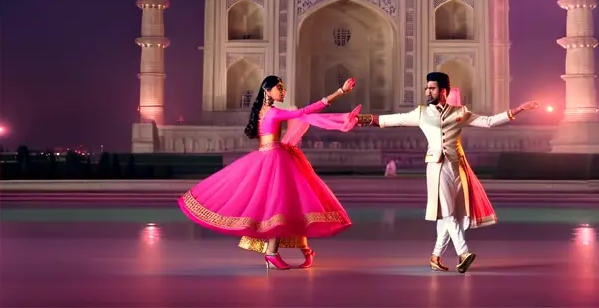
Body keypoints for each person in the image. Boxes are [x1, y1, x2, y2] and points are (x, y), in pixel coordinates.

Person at [356, 72, 539, 274]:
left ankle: (435, 257)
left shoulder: (460, 112)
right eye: (427, 88)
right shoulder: (421, 113)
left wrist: (519, 109)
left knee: (454, 214)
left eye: (432, 88)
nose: (427, 91)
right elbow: (391, 120)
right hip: (437, 165)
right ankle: (464, 253)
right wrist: (360, 119)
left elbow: (488, 121)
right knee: (448, 211)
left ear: (443, 91)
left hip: (458, 166)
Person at [178, 75, 361, 270]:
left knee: (287, 206)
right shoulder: (272, 113)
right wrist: (340, 92)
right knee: (281, 207)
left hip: (271, 159)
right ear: (267, 90)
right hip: (273, 161)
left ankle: (292, 252)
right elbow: (305, 111)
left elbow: (299, 116)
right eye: (279, 88)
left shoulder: (261, 112)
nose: (283, 91)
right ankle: (275, 254)